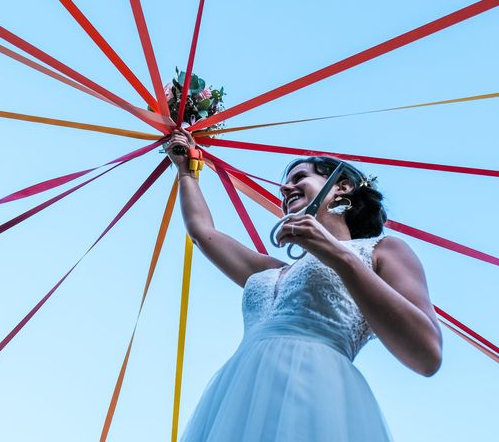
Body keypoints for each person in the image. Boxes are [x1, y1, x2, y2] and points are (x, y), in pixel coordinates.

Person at [165, 128, 443, 441]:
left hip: (317, 389)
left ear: (342, 187)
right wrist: (187, 170)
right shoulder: (272, 271)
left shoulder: (383, 250)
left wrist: (337, 254)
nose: (285, 187)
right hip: (239, 394)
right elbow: (202, 232)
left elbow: (427, 353)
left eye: (299, 177)